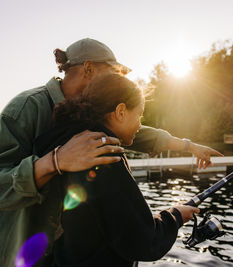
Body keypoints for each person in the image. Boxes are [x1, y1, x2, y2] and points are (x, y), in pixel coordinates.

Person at [0, 38, 222, 267]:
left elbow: (136, 131)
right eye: (113, 73)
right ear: (89, 69)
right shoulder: (27, 108)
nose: (119, 81)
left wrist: (189, 146)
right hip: (6, 252)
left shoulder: (90, 120)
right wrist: (55, 161)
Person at [34, 73, 198, 266]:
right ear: (120, 112)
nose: (139, 124)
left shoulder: (66, 141)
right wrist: (176, 216)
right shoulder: (105, 155)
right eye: (139, 114)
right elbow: (142, 241)